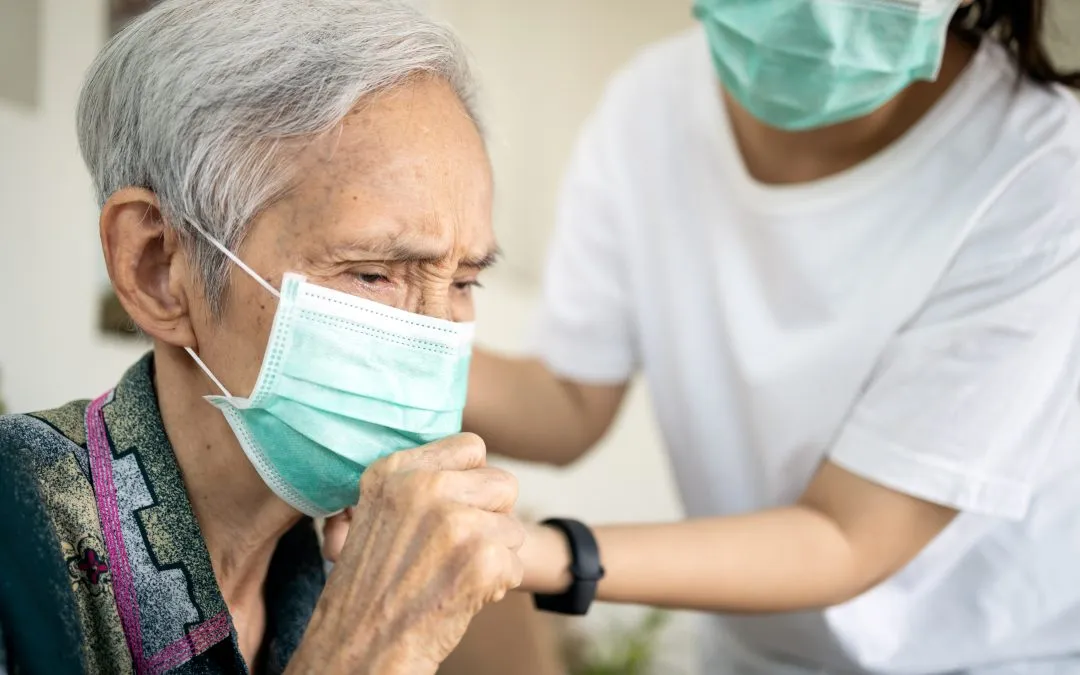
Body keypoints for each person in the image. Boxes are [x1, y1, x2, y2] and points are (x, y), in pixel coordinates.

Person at [451, 0, 1080, 673]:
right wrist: (367, 341)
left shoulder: (1044, 176)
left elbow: (846, 535)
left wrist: (527, 552)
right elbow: (567, 398)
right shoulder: (653, 104)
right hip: (757, 652)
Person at [0, 0, 536, 673]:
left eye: (462, 283)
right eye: (372, 274)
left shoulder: (342, 571)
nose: (433, 340)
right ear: (159, 269)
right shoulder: (15, 539)